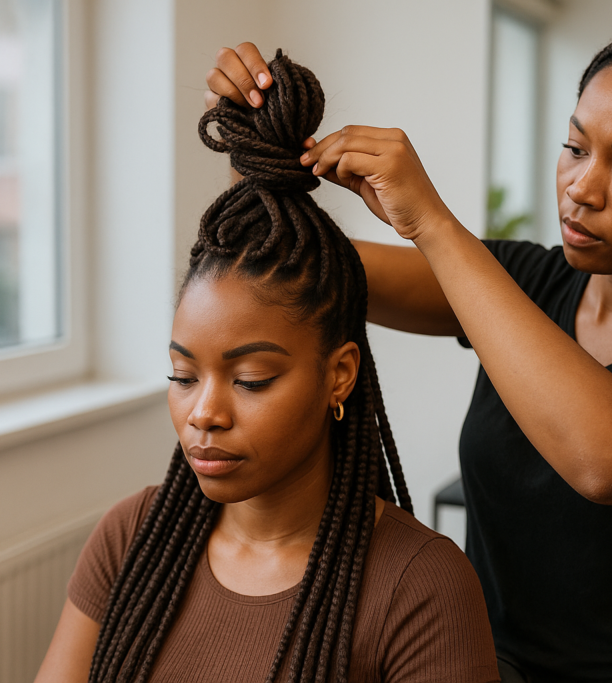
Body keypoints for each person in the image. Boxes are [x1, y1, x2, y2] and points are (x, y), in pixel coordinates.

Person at [207, 19, 612, 682]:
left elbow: (611, 460)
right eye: (574, 148)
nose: (581, 187)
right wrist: (256, 140)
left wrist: (432, 223)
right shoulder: (520, 282)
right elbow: (289, 268)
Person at [35, 51, 499, 683]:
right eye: (182, 376)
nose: (204, 414)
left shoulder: (418, 586)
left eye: (251, 380)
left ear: (339, 375)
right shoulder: (132, 535)